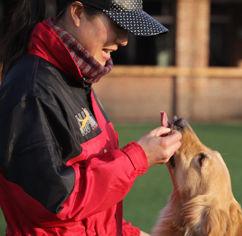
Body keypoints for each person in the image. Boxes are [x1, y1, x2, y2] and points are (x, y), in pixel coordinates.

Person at [0, 0, 182, 235]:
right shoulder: (32, 91)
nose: (124, 40)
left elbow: (92, 211)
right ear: (77, 12)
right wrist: (139, 156)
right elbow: (59, 201)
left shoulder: (74, 78)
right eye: (118, 24)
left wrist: (131, 233)